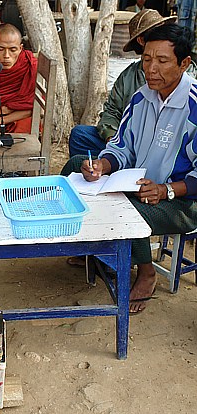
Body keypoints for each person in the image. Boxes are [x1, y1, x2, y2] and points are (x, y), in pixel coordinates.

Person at [63, 24, 197, 314]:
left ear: (185, 63)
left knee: (126, 209)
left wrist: (166, 190)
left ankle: (146, 271)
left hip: (183, 201)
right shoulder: (140, 98)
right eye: (147, 59)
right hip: (138, 185)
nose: (151, 68)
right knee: (76, 166)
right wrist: (103, 164)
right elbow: (121, 147)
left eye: (162, 61)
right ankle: (89, 246)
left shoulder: (194, 106)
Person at [69, 9, 177, 160]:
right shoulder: (128, 77)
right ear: (141, 41)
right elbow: (111, 112)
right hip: (127, 143)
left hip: (162, 148)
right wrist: (112, 138)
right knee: (80, 135)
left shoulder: (180, 74)